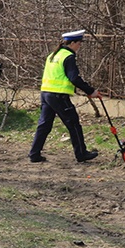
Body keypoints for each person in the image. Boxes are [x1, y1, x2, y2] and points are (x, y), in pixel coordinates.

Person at [29, 30, 100, 163]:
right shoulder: (68, 56)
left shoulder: (53, 55)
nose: (79, 46)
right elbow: (74, 78)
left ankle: (34, 154)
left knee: (44, 125)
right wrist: (91, 91)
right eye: (79, 43)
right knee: (73, 124)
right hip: (59, 96)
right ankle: (81, 154)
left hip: (46, 94)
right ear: (72, 43)